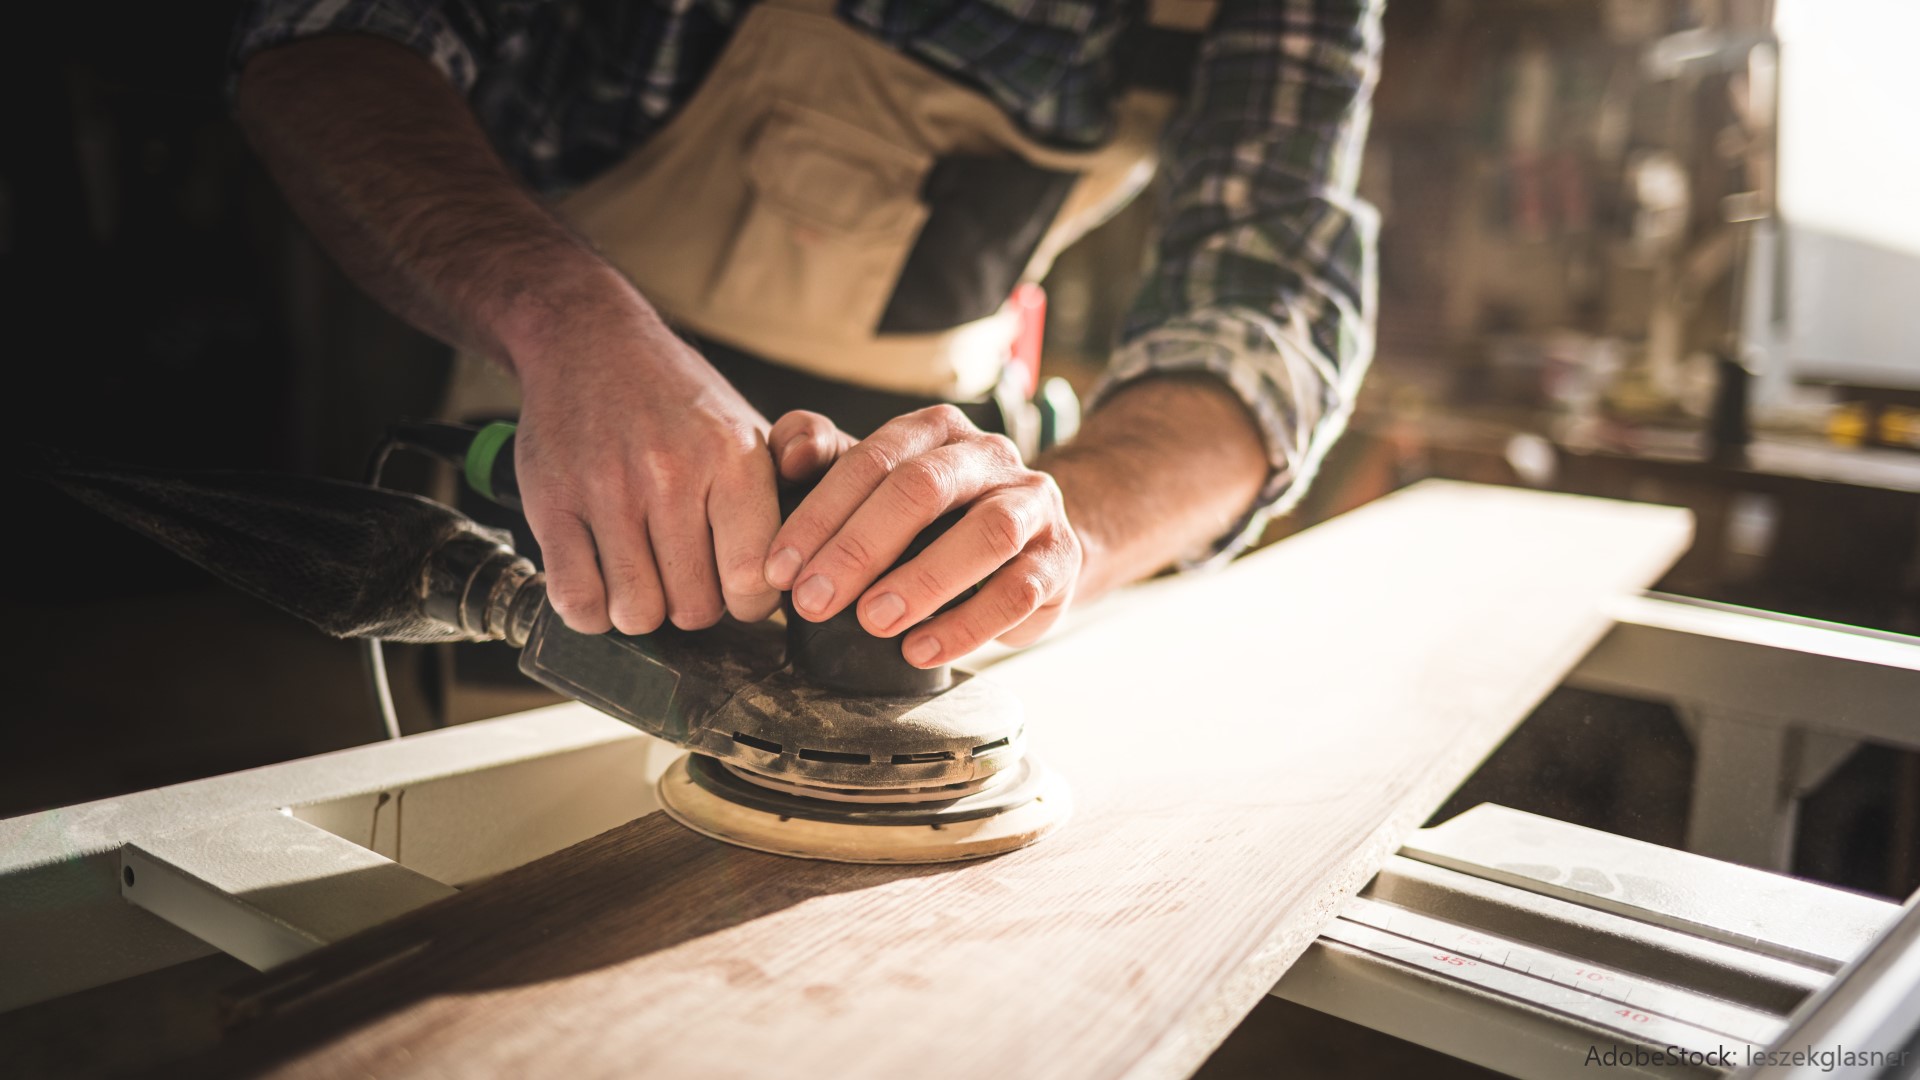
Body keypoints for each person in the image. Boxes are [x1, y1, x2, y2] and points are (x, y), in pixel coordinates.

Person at [231, 0, 1381, 670]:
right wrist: (565, 319)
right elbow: (328, 36)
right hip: (554, 454)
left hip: (936, 513)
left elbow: (1270, 299)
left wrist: (1063, 536)